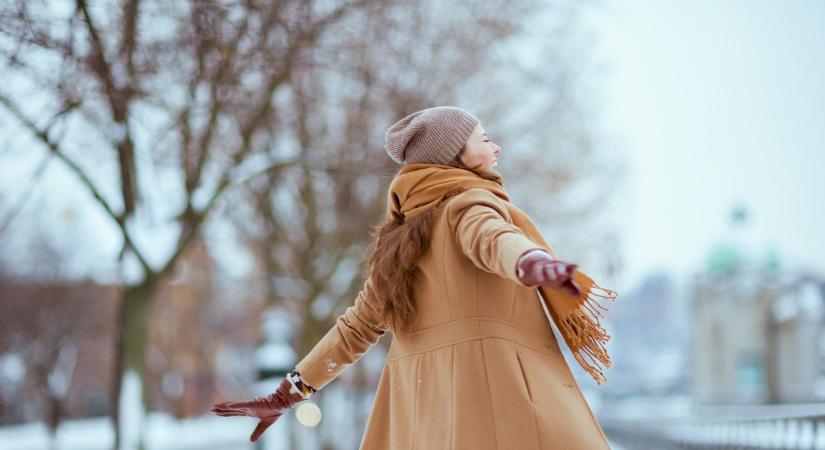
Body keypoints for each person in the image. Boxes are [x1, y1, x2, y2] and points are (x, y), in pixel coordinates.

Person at [211, 106, 617, 449]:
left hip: (421, 412)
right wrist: (531, 262)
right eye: (484, 138)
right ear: (455, 153)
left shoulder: (398, 244)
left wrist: (290, 392)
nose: (496, 147)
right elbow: (493, 238)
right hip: (491, 398)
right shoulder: (469, 204)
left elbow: (355, 328)